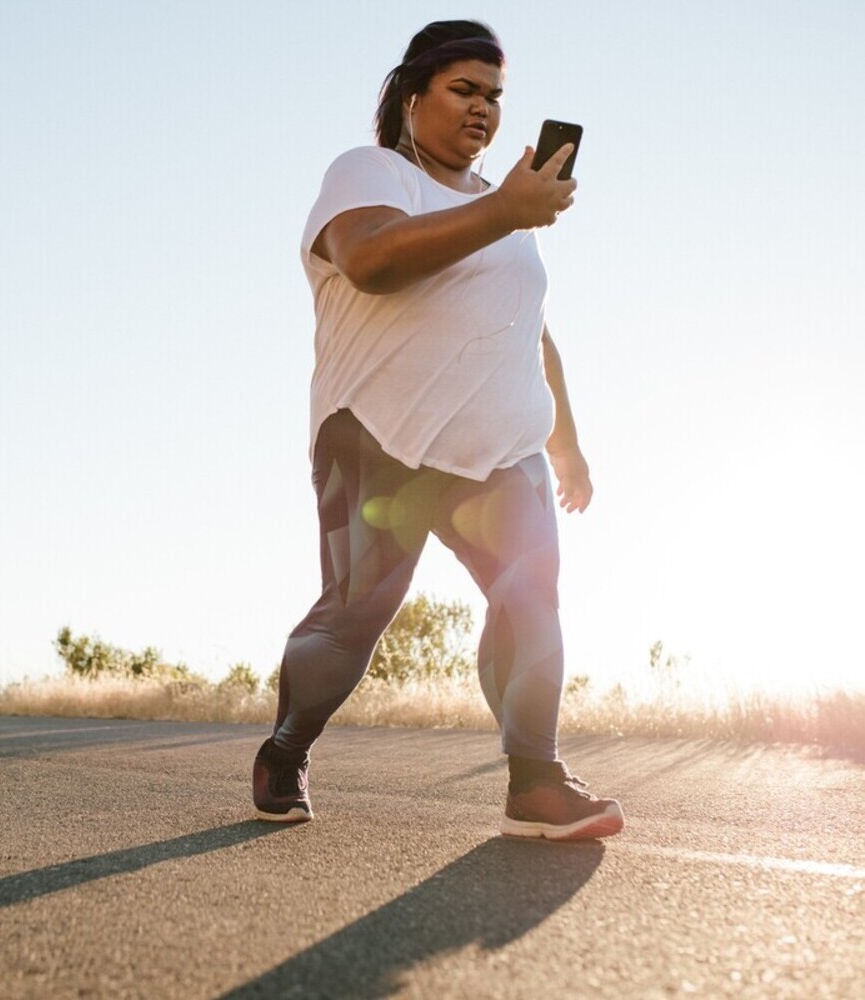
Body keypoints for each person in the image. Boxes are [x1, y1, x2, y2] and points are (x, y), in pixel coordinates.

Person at [253, 20, 624, 841]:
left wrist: (568, 445)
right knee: (358, 614)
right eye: (464, 90)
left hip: (502, 453)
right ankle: (286, 749)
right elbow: (372, 260)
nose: (483, 110)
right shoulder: (369, 172)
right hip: (381, 439)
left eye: (494, 96)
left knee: (532, 600)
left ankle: (536, 780)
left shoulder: (506, 209)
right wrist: (504, 208)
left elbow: (530, 331)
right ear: (413, 94)